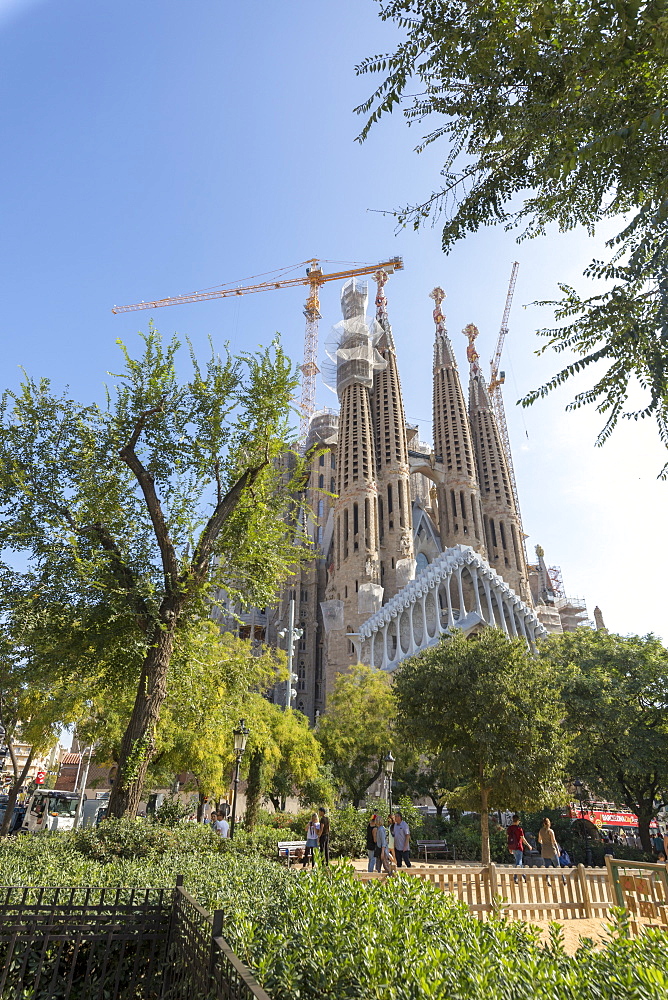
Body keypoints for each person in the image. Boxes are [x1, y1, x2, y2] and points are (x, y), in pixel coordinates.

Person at [537, 817, 564, 884]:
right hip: (552, 850)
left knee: (547, 867)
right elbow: (554, 841)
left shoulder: (541, 831)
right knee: (557, 866)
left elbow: (539, 840)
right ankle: (563, 879)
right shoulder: (550, 831)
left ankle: (546, 881)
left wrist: (543, 843)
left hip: (545, 851)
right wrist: (558, 850)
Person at [507, 815, 531, 879]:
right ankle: (516, 877)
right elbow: (523, 839)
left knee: (518, 862)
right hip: (519, 847)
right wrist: (528, 845)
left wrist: (509, 847)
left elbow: (508, 838)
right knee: (519, 862)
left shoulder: (509, 828)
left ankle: (524, 876)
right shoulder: (519, 829)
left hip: (513, 847)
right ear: (517, 821)